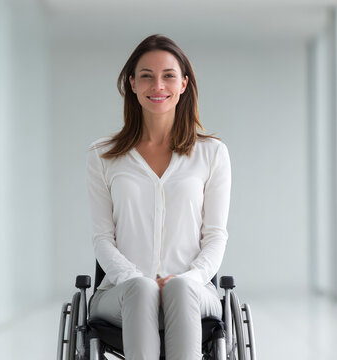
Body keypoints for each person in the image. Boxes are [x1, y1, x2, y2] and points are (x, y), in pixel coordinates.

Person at [85, 34, 231, 360]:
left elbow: (215, 237)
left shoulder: (212, 153)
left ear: (183, 84)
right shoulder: (102, 155)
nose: (158, 85)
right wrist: (139, 280)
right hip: (120, 293)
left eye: (168, 75)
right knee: (142, 290)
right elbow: (102, 239)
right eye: (147, 76)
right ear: (132, 84)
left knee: (180, 288)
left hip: (196, 290)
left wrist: (188, 279)